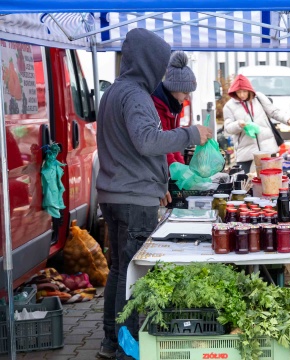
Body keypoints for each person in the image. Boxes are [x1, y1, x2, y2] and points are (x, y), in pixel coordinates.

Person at [96, 29, 212, 360]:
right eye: (159, 65)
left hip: (115, 194)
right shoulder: (136, 97)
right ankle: (124, 348)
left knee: (120, 270)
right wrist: (191, 133)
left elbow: (133, 147)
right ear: (147, 61)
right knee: (133, 275)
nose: (162, 73)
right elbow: (148, 141)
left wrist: (160, 183)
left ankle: (110, 341)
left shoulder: (113, 93)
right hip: (133, 199)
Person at [223, 74, 290, 174]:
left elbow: (274, 112)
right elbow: (227, 129)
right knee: (245, 181)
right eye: (239, 92)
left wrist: (288, 120)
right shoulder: (229, 106)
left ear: (249, 90)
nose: (241, 95)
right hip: (246, 151)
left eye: (244, 91)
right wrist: (238, 125)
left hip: (267, 148)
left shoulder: (258, 98)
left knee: (270, 179)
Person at [151, 51, 197, 170]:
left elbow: (174, 146)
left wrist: (183, 169)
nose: (187, 97)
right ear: (173, 88)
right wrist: (178, 173)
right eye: (185, 92)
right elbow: (164, 147)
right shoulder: (157, 108)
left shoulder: (173, 106)